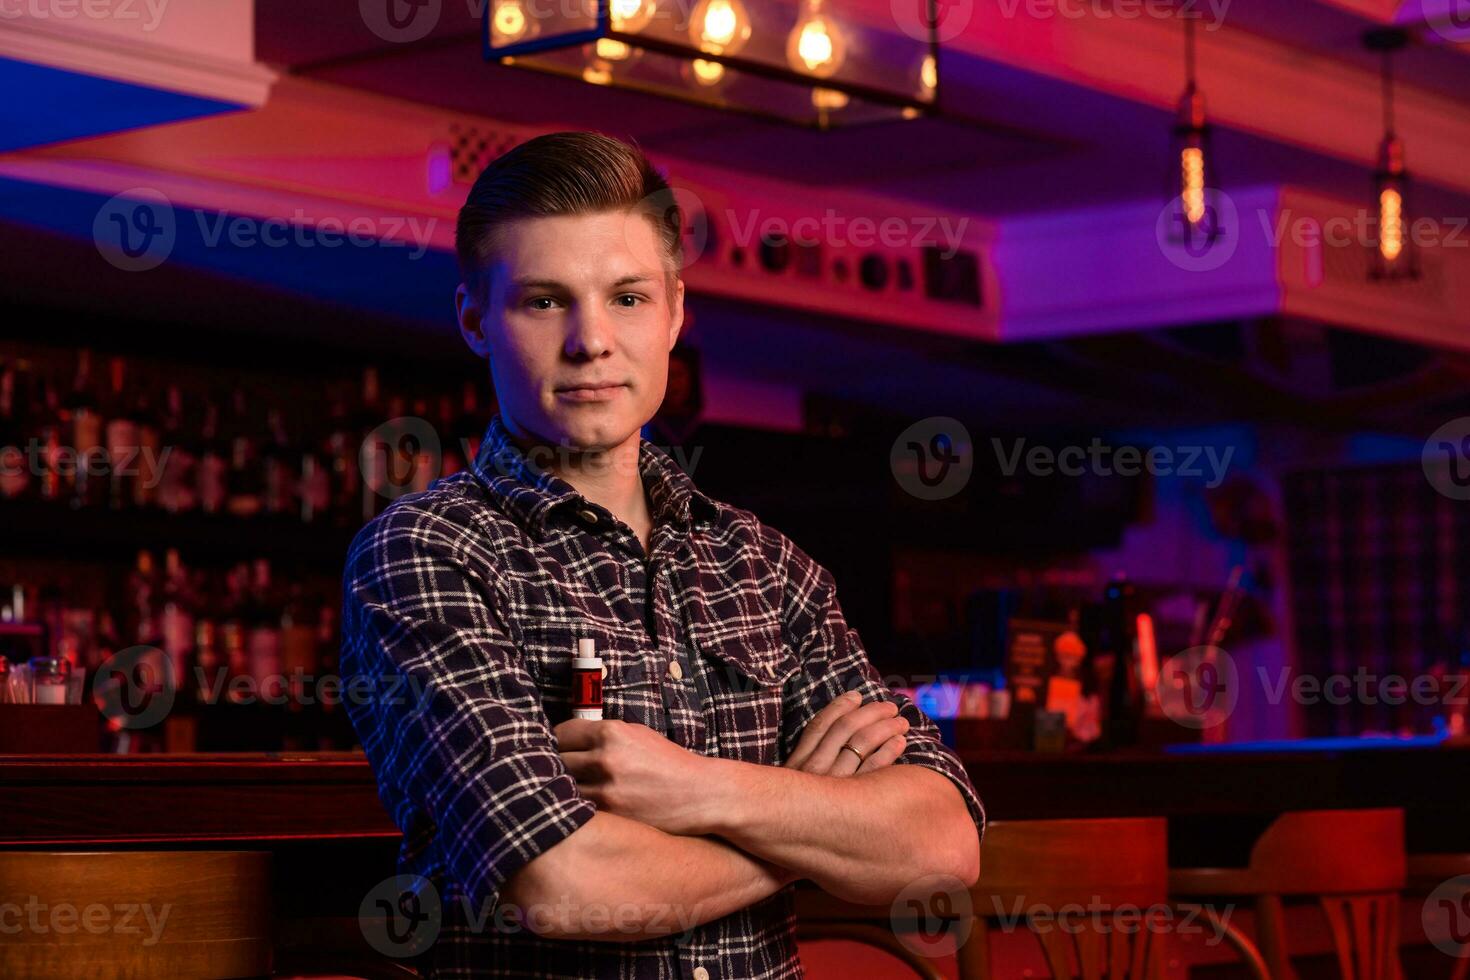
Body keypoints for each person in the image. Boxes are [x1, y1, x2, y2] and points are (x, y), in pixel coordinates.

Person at [340, 130, 985, 978]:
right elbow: (563, 882)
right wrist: (807, 825)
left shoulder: (766, 564)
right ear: (474, 320)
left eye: (629, 298)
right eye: (544, 301)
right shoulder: (427, 554)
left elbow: (943, 844)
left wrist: (697, 787)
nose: (591, 341)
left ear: (676, 310)